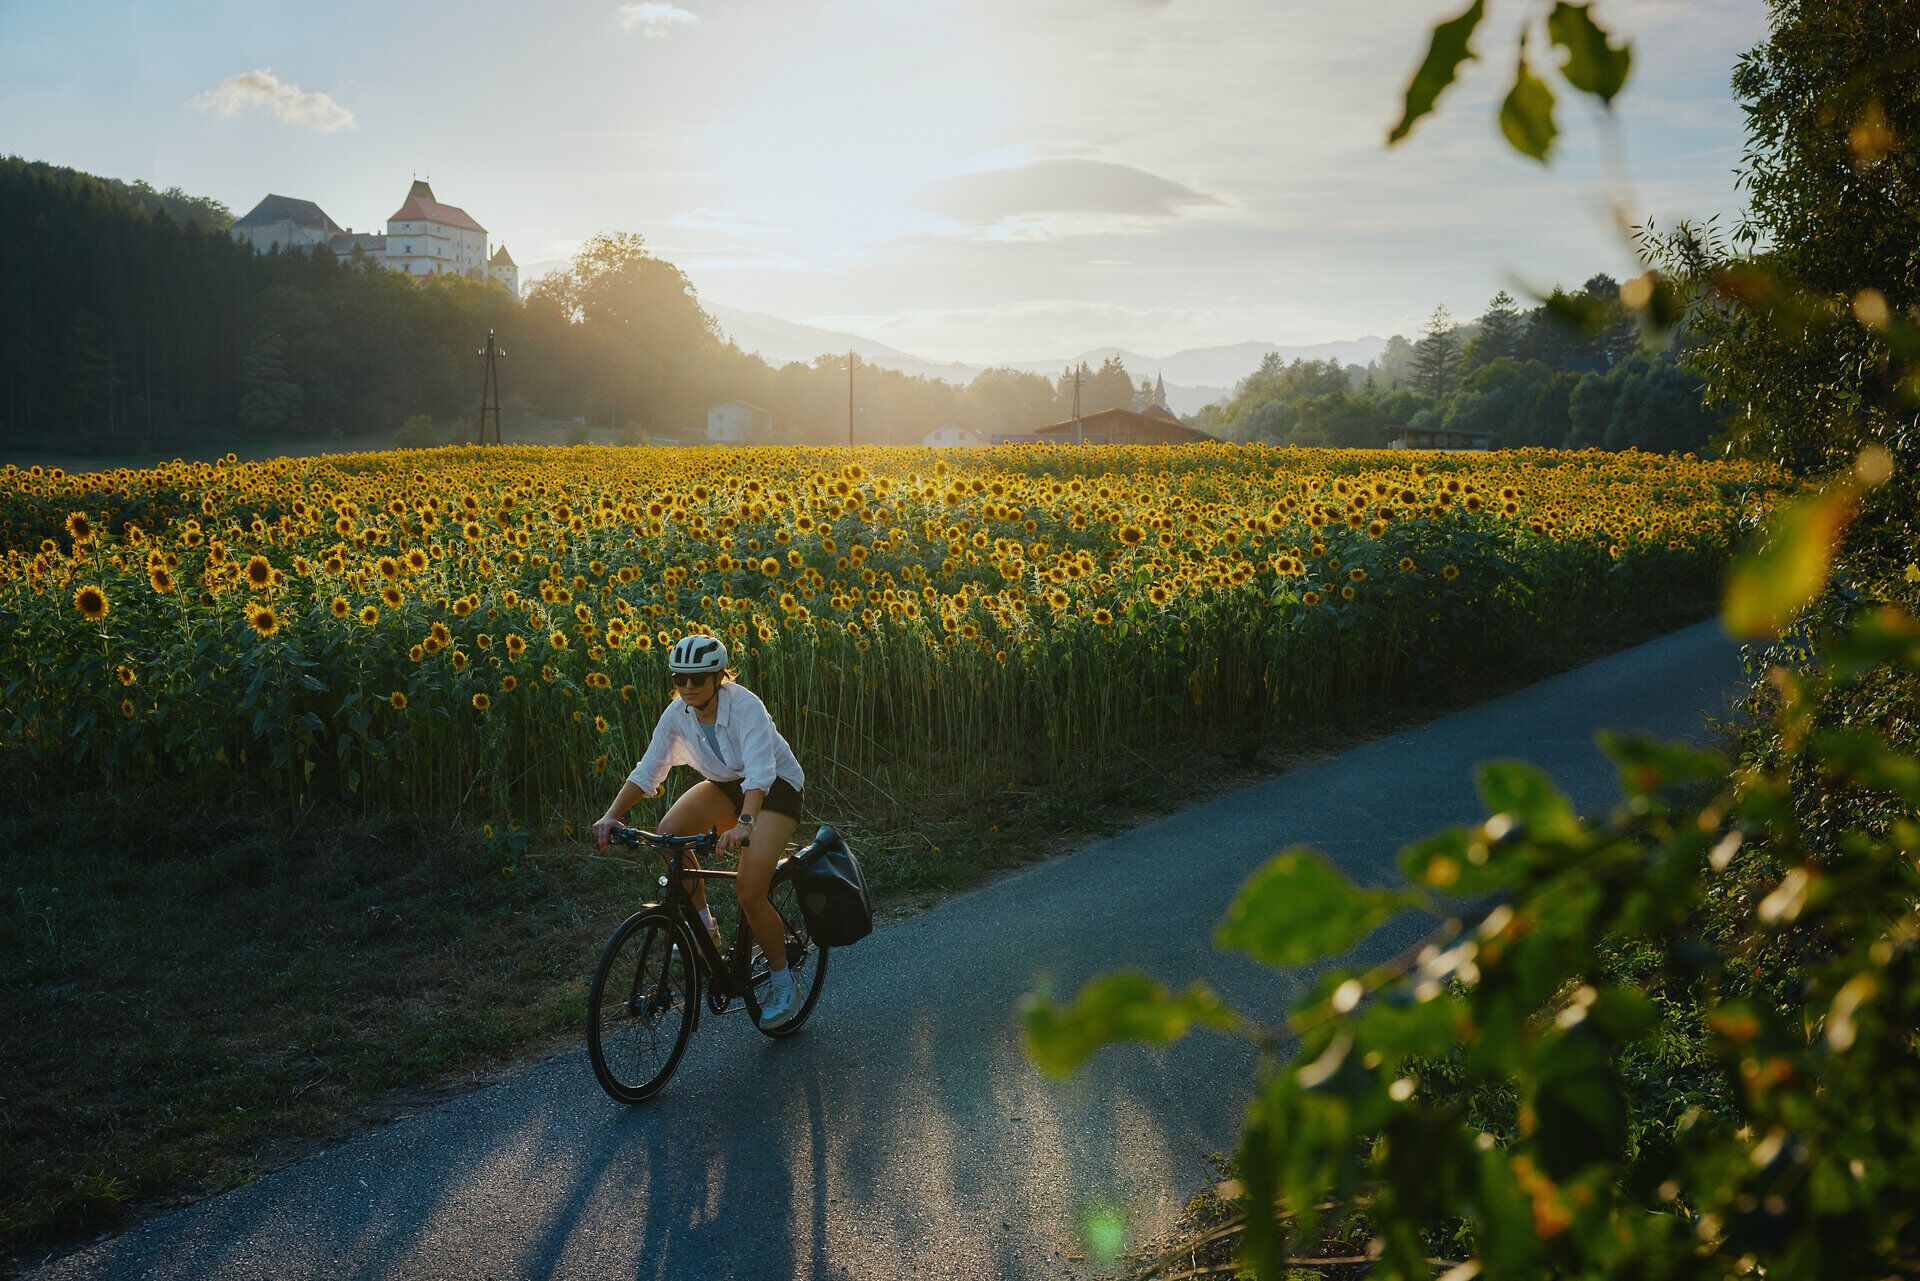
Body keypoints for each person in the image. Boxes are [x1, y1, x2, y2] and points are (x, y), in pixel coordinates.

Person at [592, 634, 809, 1028]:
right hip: (726, 784)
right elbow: (648, 768)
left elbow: (760, 772)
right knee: (670, 832)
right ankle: (706, 924)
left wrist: (745, 825)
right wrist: (612, 816)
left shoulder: (746, 706)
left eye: (697, 678)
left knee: (749, 889)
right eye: (680, 678)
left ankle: (782, 982)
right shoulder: (678, 712)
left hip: (774, 790)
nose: (688, 687)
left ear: (718, 677)